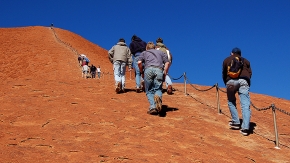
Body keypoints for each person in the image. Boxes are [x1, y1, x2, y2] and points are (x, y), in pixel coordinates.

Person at [222, 47, 252, 136]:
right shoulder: (246, 61)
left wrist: (226, 82)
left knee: (231, 101)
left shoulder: (227, 59)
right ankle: (245, 128)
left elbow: (224, 72)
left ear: (232, 53)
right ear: (240, 54)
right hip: (244, 81)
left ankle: (236, 122)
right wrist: (246, 80)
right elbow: (250, 73)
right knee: (245, 105)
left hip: (230, 81)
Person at [138, 42, 170, 115]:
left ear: (147, 48)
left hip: (148, 70)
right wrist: (165, 72)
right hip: (159, 70)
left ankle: (153, 107)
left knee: (149, 90)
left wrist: (141, 72)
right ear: (155, 47)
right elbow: (167, 63)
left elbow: (139, 62)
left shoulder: (144, 53)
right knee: (158, 89)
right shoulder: (161, 52)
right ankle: (158, 99)